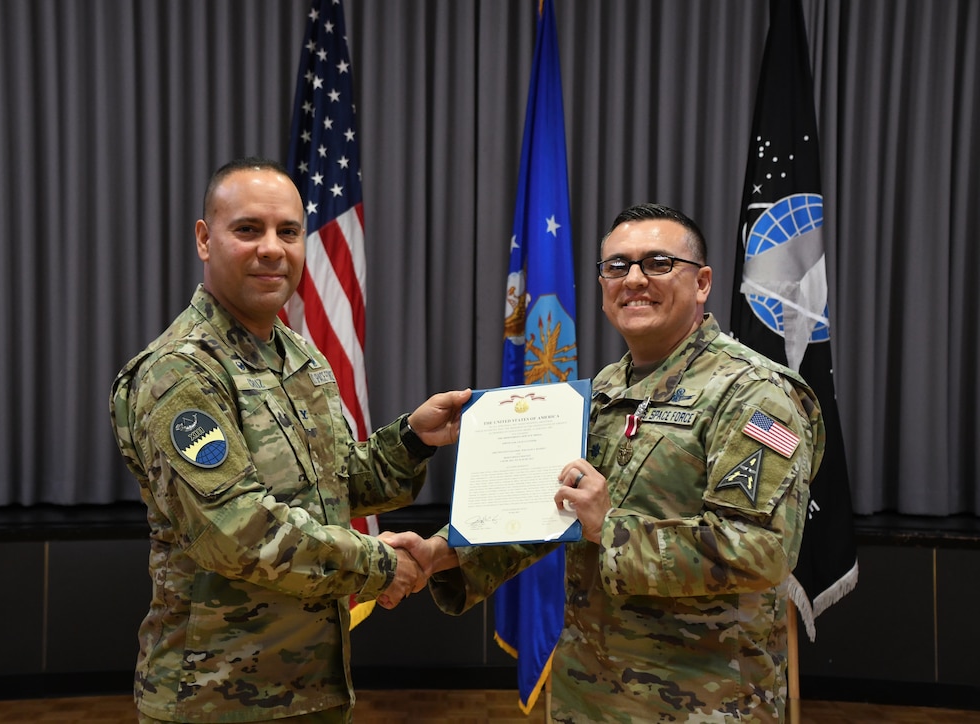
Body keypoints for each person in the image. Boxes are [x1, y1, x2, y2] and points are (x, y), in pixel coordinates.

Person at [384, 203, 826, 722]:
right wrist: (442, 551)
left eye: (657, 263)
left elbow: (761, 551)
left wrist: (611, 528)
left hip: (704, 703)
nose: (634, 279)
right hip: (586, 695)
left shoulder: (754, 393)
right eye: (617, 266)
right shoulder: (598, 395)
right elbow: (542, 509)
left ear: (702, 282)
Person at [109, 156, 470, 723]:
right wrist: (380, 563)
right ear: (205, 239)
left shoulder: (295, 353)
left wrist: (414, 439)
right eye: (248, 229)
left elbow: (338, 484)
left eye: (289, 231)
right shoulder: (180, 372)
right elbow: (237, 532)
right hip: (216, 698)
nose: (272, 248)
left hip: (310, 687)